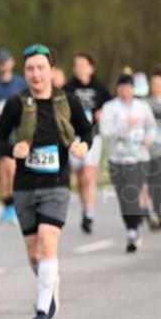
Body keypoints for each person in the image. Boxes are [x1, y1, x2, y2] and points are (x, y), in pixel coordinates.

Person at [0, 44, 92, 319]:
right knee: (34, 254)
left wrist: (83, 144)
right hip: (24, 186)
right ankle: (50, 283)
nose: (35, 74)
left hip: (56, 184)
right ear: (25, 73)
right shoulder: (15, 105)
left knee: (48, 244)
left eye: (40, 68)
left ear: (51, 70)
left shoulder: (68, 102)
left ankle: (42, 312)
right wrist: (14, 149)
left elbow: (87, 130)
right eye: (30, 69)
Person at [99, 75, 156, 252]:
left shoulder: (142, 106)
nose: (125, 91)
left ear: (133, 89)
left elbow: (151, 126)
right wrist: (125, 126)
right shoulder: (110, 107)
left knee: (132, 191)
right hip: (117, 158)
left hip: (139, 157)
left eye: (128, 88)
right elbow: (105, 132)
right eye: (122, 88)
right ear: (117, 89)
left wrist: (149, 138)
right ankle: (134, 223)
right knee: (124, 198)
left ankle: (132, 232)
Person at [61, 52, 111, 234]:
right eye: (76, 65)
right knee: (80, 177)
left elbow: (111, 108)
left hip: (92, 136)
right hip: (73, 137)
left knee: (89, 175)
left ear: (91, 67)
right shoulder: (67, 89)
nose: (79, 68)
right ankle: (85, 208)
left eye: (83, 65)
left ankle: (89, 213)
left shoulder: (100, 88)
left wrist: (102, 114)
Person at [0, 48, 28, 225]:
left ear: (12, 63)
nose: (2, 66)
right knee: (1, 171)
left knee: (12, 167)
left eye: (5, 62)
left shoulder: (20, 84)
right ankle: (7, 205)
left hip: (15, 131)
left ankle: (14, 204)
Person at [146, 67, 161, 231]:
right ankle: (156, 212)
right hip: (151, 150)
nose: (156, 86)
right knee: (154, 182)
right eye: (154, 83)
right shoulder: (145, 104)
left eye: (159, 83)